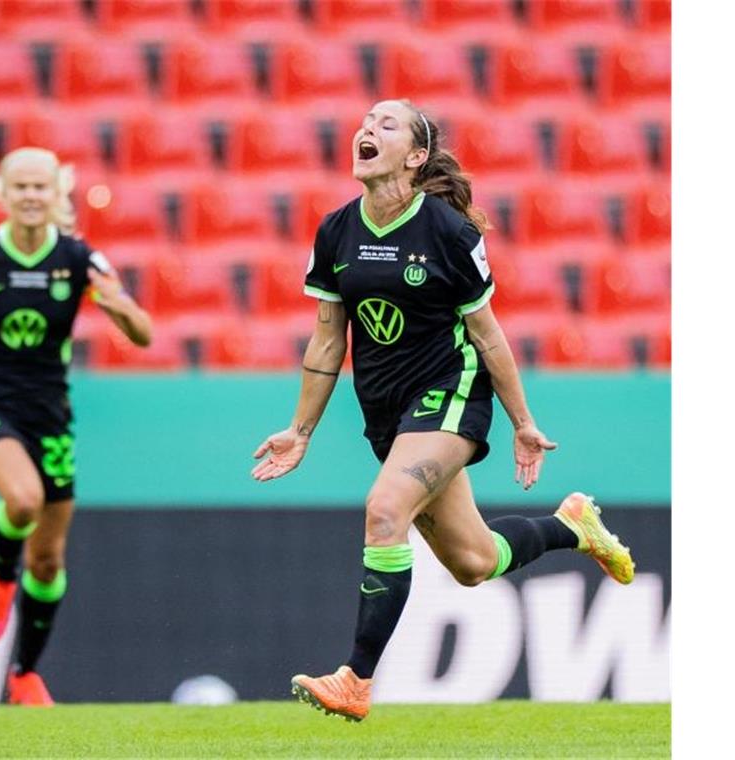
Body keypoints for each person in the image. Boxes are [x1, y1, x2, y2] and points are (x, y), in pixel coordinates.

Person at [250, 100, 635, 723]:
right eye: (366, 122)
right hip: (386, 414)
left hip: (450, 393)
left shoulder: (451, 235)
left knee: (384, 510)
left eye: (387, 125)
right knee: (474, 561)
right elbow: (327, 340)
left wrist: (523, 422)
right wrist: (301, 431)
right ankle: (574, 527)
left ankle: (356, 678)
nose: (367, 131)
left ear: (417, 155)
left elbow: (486, 335)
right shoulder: (336, 231)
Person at [0, 147, 152, 706]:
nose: (30, 197)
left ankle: (24, 672)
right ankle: (1, 575)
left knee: (49, 558)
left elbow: (143, 332)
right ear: (1, 195)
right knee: (22, 499)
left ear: (58, 195)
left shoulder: (78, 259)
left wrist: (119, 308)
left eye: (40, 188)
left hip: (49, 412)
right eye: (20, 187)